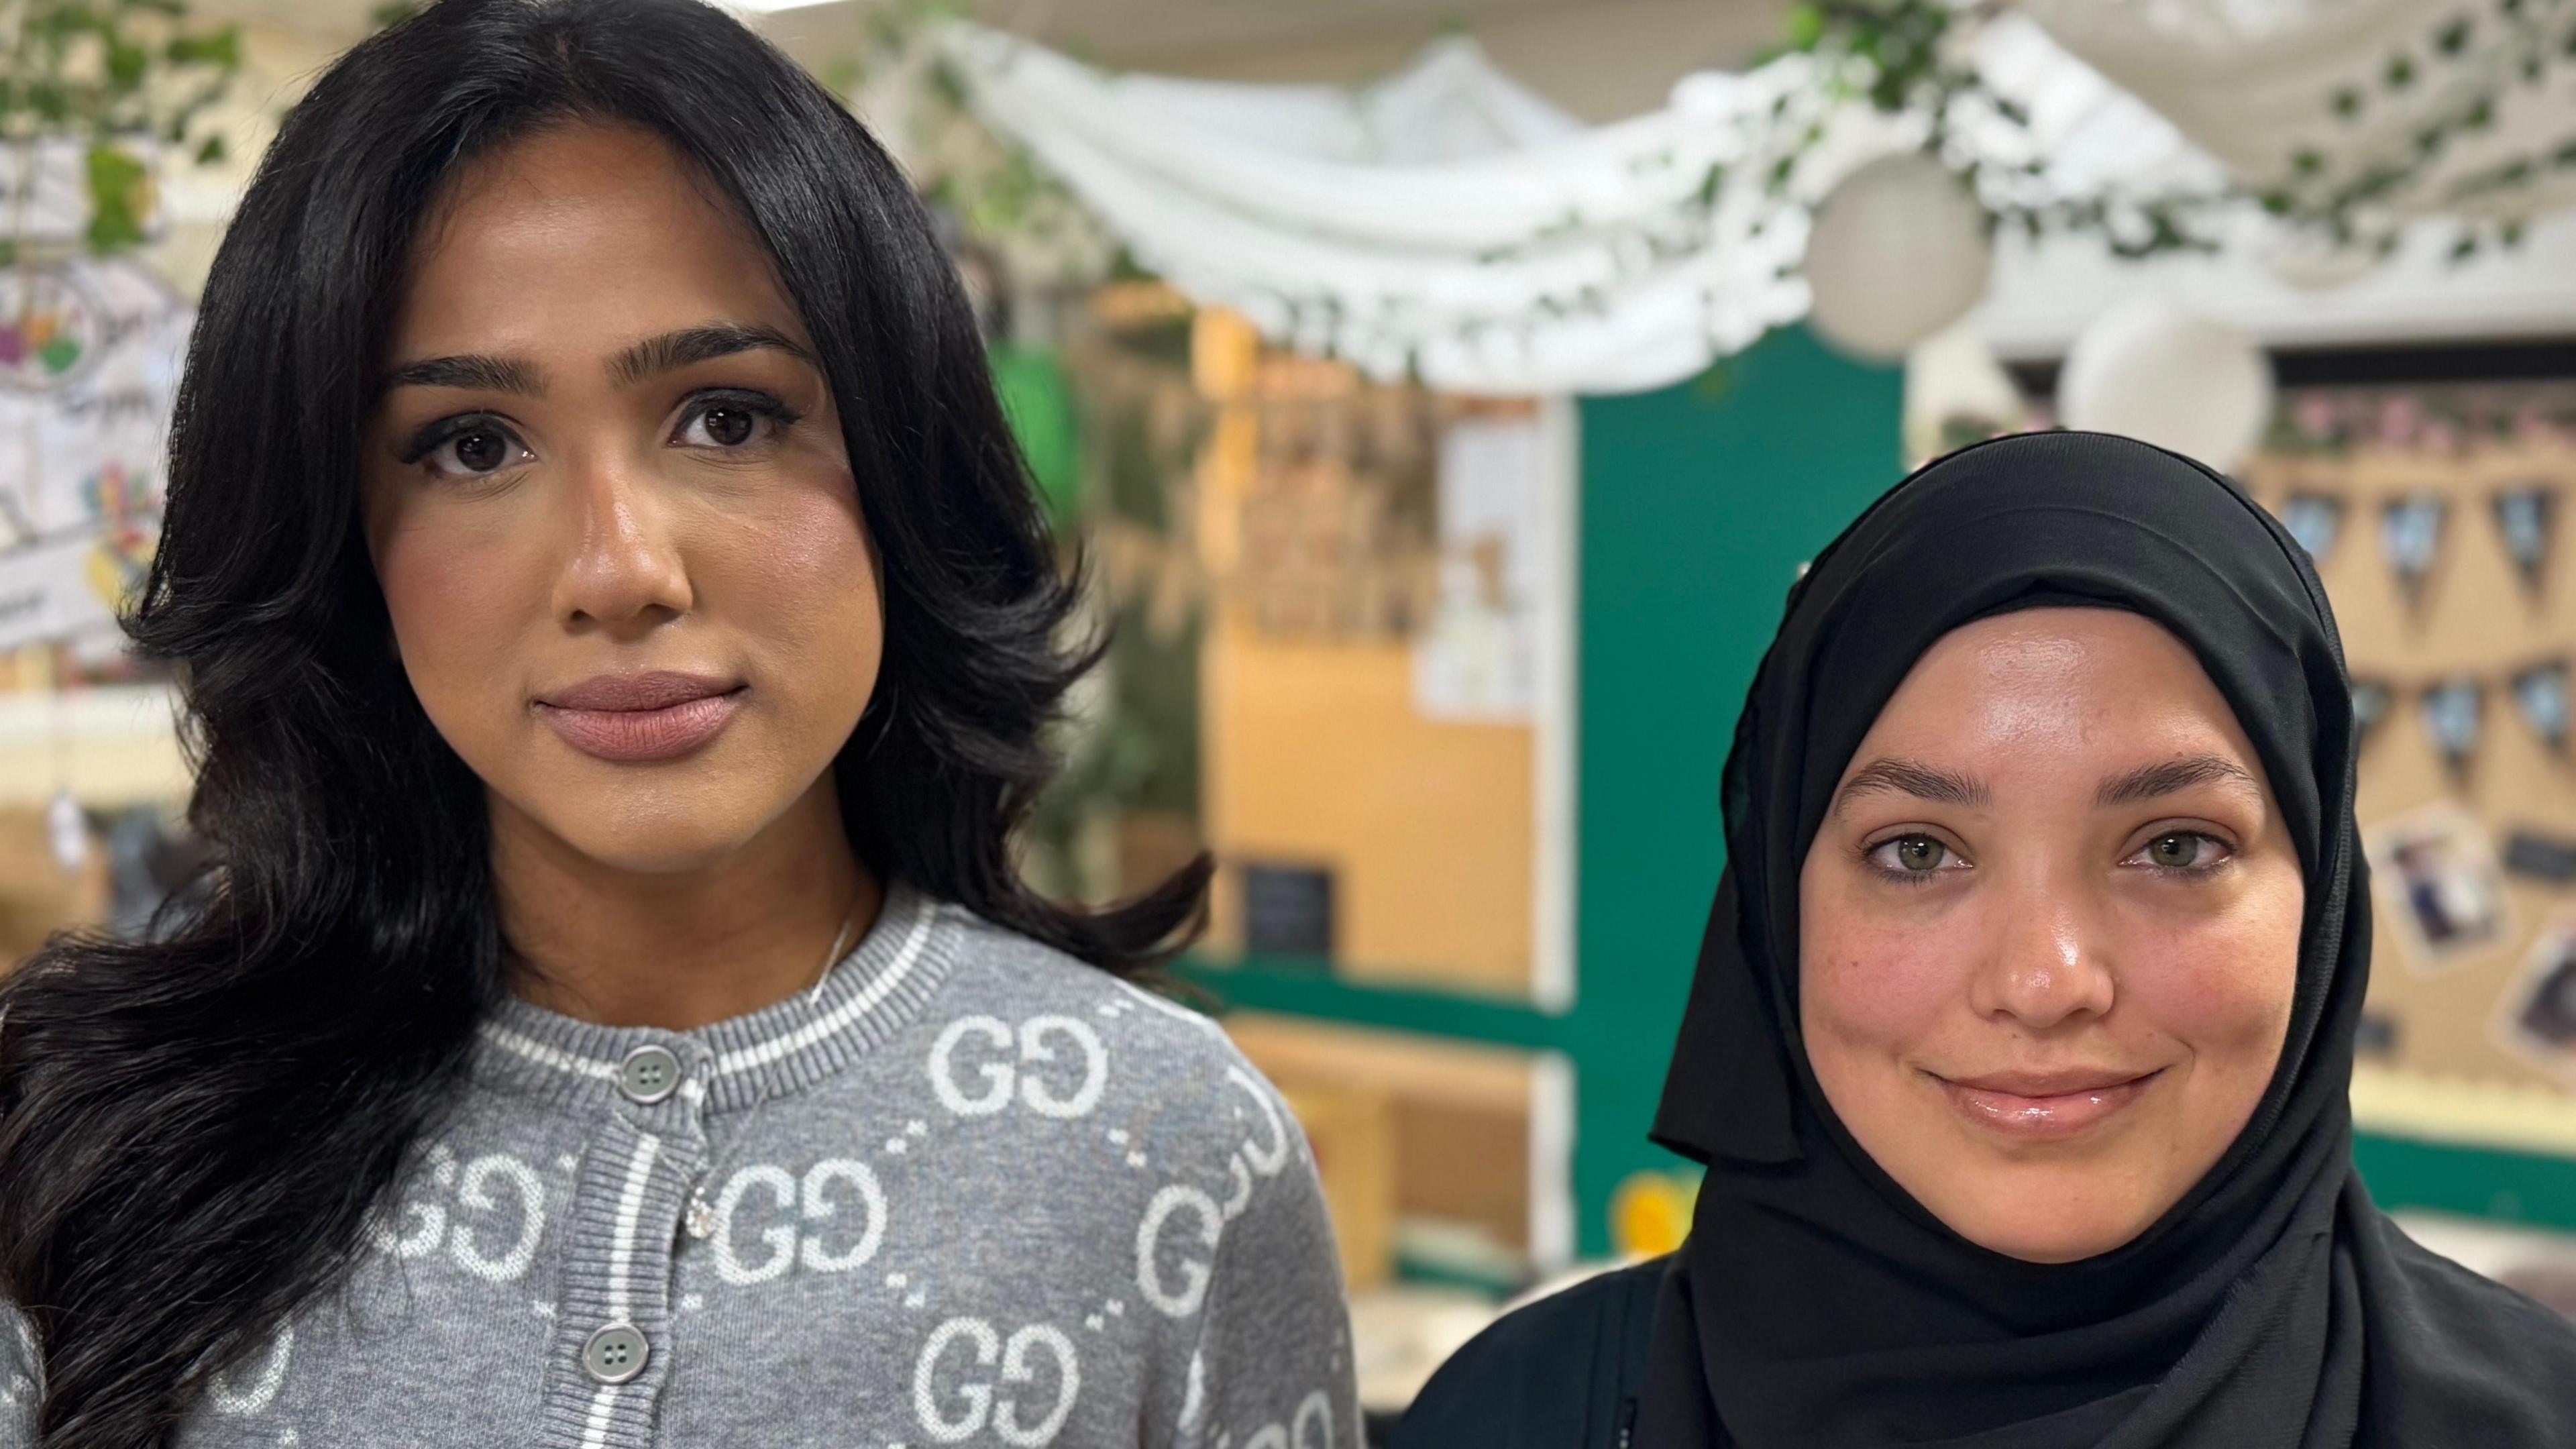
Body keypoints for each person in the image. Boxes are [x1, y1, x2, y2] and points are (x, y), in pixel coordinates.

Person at [0, 1, 1352, 1444]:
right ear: (340, 539)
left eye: (727, 417)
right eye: (472, 446)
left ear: (905, 463)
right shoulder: (85, 1146)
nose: (621, 570)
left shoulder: (1164, 1150)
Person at [1394, 431, 2576, 1448]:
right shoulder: (1524, 1415)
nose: (2046, 981)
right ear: (1776, 907)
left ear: (2321, 901)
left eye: (2175, 848)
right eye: (1917, 852)